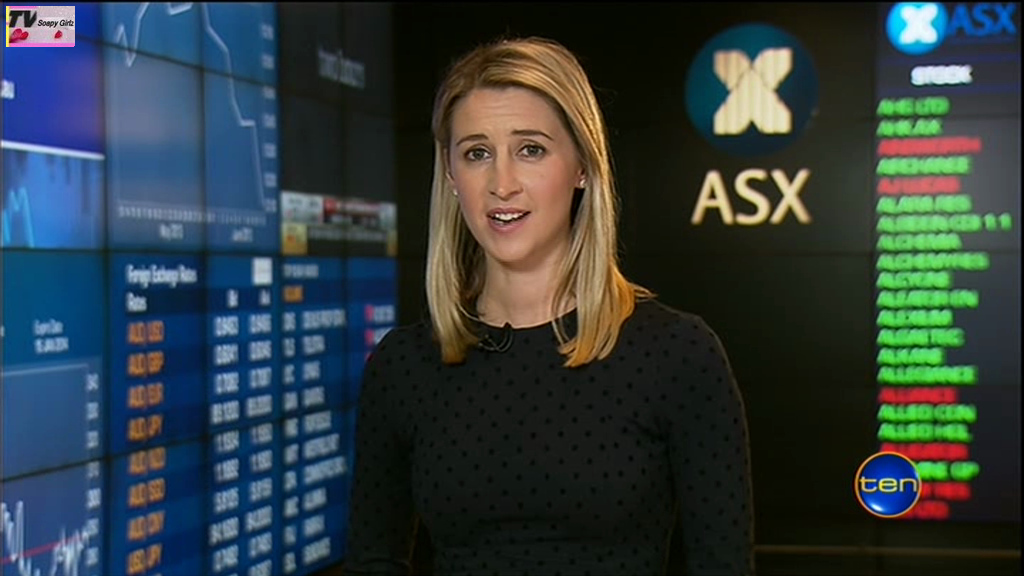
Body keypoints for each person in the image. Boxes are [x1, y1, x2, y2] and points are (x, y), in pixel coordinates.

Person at [344, 36, 755, 576]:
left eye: (530, 150)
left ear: (582, 165)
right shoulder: (403, 366)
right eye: (477, 154)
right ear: (450, 175)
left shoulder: (677, 354)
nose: (502, 184)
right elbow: (373, 559)